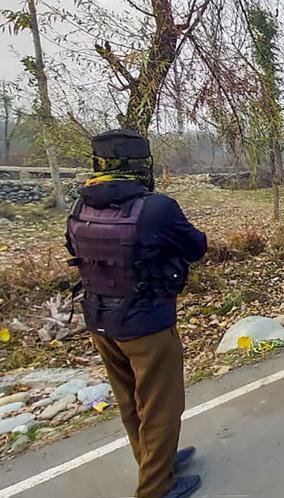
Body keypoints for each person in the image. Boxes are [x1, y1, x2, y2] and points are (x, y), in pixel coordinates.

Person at [65, 129, 207, 498]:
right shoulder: (158, 208)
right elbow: (196, 247)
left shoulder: (79, 206)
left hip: (99, 320)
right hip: (147, 325)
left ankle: (157, 462)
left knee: (130, 402)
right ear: (142, 166)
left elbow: (74, 248)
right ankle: (156, 488)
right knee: (160, 406)